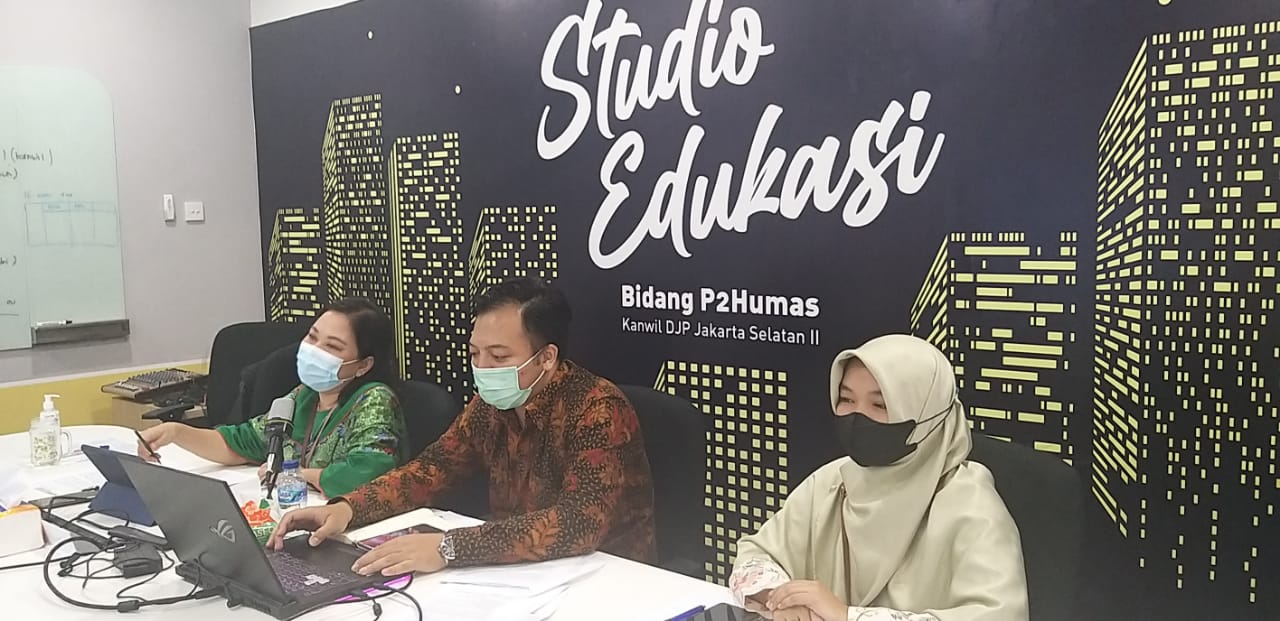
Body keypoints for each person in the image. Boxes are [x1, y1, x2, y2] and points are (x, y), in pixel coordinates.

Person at [269, 277, 657, 575]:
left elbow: (578, 523)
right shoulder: (490, 406)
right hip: (515, 572)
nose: (483, 368)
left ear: (546, 358)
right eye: (475, 354)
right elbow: (432, 470)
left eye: (499, 357)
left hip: (606, 577)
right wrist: (348, 508)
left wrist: (448, 548)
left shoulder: (597, 408)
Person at [728, 334, 1028, 621]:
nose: (857, 417)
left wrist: (847, 616)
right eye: (846, 399)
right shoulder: (833, 481)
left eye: (880, 405)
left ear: (928, 413)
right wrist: (780, 597)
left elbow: (1000, 616)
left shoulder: (971, 507)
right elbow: (756, 554)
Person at [136, 298, 409, 498]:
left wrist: (296, 476)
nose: (314, 350)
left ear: (363, 365)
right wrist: (176, 432)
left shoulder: (374, 400)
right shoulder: (304, 396)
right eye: (312, 338)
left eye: (332, 347)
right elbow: (243, 442)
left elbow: (367, 472)